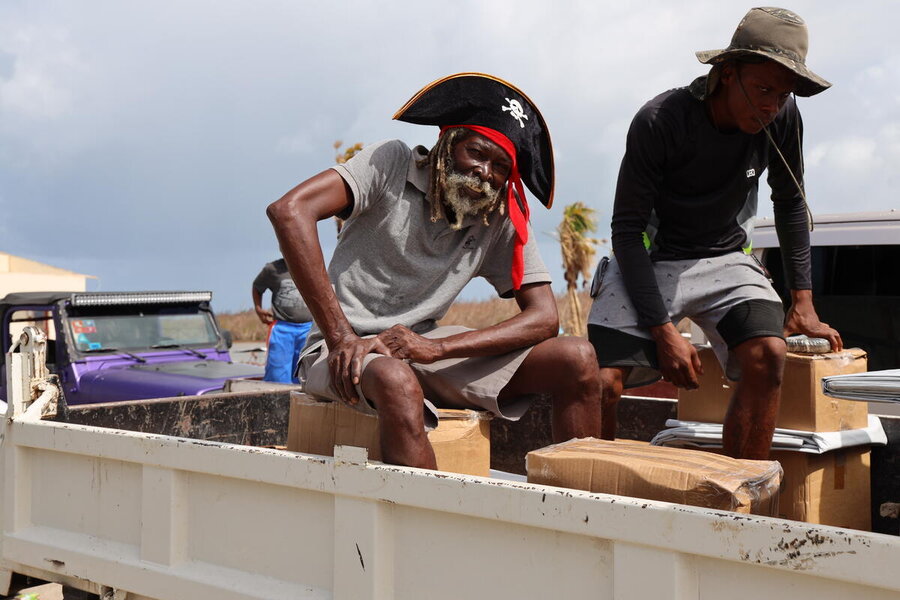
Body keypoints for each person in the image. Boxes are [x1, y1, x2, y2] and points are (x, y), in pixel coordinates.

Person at [268, 73, 601, 469]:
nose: (485, 173)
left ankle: (582, 514)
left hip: (422, 347)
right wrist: (341, 337)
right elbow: (289, 211)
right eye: (476, 153)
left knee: (577, 357)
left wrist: (436, 348)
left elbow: (545, 319)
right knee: (395, 380)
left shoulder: (497, 213)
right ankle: (425, 528)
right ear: (448, 143)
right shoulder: (391, 163)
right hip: (341, 349)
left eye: (500, 166)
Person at [587, 7, 842, 460]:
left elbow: (789, 203)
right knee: (598, 381)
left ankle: (741, 499)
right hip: (652, 260)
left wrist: (802, 302)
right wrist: (664, 332)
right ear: (726, 73)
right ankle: (590, 492)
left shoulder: (780, 119)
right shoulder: (661, 120)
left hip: (725, 258)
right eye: (763, 88)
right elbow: (626, 232)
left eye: (782, 95)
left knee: (769, 355)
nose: (771, 104)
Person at [252, 258, 313, 383]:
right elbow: (257, 287)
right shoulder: (272, 269)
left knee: (305, 375)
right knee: (277, 375)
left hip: (308, 328)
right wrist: (258, 309)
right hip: (282, 328)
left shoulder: (312, 264)